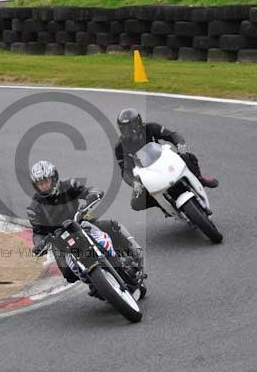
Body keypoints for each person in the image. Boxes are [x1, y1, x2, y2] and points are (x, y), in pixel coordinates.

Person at [27, 160, 145, 297]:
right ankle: (93, 282)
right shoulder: (34, 207)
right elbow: (38, 232)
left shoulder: (68, 185)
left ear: (54, 178)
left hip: (80, 222)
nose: (44, 186)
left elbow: (87, 190)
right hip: (59, 240)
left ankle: (132, 251)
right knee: (68, 274)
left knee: (112, 227)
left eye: (46, 181)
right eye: (40, 184)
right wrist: (39, 244)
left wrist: (92, 195)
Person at [115, 108, 218, 212]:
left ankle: (198, 177)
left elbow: (172, 135)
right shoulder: (120, 147)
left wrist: (180, 145)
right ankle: (161, 203)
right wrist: (134, 183)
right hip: (145, 173)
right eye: (124, 129)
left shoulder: (150, 127)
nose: (128, 132)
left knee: (186, 155)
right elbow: (125, 171)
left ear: (138, 123)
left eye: (130, 127)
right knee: (136, 203)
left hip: (163, 160)